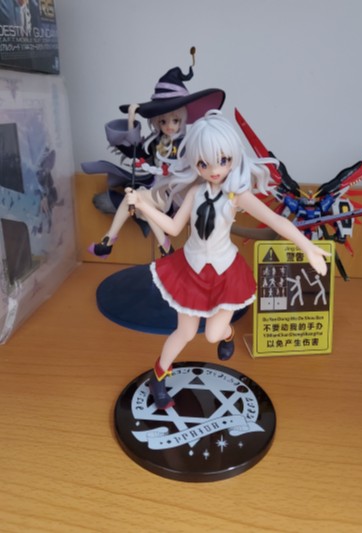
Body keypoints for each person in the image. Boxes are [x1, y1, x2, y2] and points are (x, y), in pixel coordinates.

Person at [125, 110, 330, 409]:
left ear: (233, 157)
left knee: (212, 335)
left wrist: (307, 247)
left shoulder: (237, 195)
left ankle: (228, 334)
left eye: (222, 160)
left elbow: (275, 220)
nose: (214, 170)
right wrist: (142, 206)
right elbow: (173, 228)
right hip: (191, 268)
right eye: (204, 163)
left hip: (224, 271)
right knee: (185, 331)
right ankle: (158, 377)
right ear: (195, 163)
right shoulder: (195, 191)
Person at [85, 52, 225, 258]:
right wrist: (131, 118)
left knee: (137, 199)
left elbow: (204, 165)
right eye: (163, 121)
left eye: (175, 120)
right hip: (160, 190)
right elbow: (134, 151)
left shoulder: (189, 143)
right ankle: (162, 248)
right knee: (138, 201)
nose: (169, 126)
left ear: (183, 118)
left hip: (179, 193)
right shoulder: (155, 142)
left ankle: (110, 242)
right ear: (156, 122)